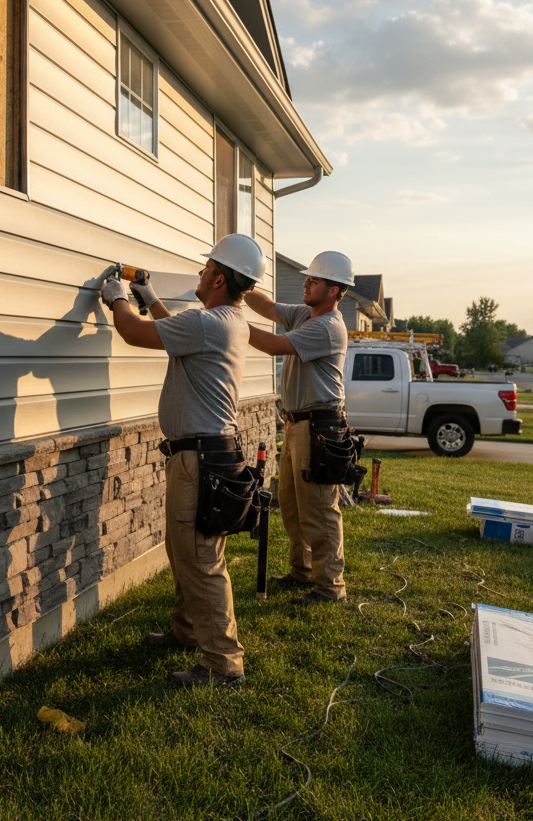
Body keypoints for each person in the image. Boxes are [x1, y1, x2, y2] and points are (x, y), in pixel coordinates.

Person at [101, 234, 267, 687]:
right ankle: (188, 632)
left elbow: (133, 333)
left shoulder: (206, 324)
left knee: (199, 558)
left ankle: (223, 666)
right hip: (209, 454)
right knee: (185, 550)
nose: (198, 274)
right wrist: (150, 298)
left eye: (203, 269)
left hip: (199, 459)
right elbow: (178, 334)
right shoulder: (226, 322)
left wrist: (118, 298)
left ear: (216, 278)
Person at [243, 251, 354, 606]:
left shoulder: (327, 327)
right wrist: (239, 284)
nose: (306, 283)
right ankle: (303, 571)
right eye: (307, 278)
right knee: (291, 505)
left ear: (334, 290)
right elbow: (269, 306)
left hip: (318, 428)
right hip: (296, 425)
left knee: (319, 509)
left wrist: (228, 321)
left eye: (314, 280)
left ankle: (329, 587)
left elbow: (275, 346)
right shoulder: (307, 315)